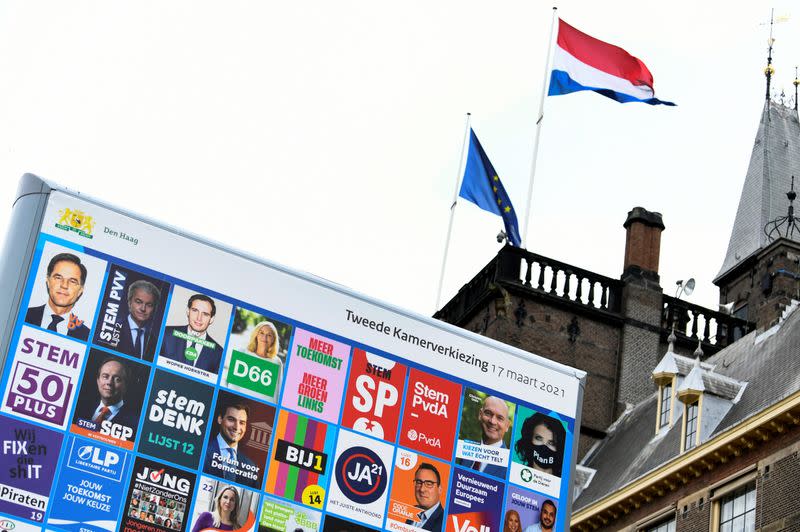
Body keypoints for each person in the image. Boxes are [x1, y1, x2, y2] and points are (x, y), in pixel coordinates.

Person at [25, 252, 90, 340]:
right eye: (58, 277)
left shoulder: (86, 336)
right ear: (48, 281)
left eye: (72, 281)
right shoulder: (24, 315)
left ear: (80, 290)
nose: (64, 285)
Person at [160, 294, 223, 372]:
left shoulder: (219, 353)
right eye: (195, 310)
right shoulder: (166, 334)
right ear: (188, 311)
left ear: (211, 319)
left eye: (205, 314)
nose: (199, 318)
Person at [203, 402, 260, 488]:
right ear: (220, 419)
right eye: (231, 419)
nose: (236, 427)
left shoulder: (251, 467)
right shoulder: (202, 451)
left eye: (242, 423)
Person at [459, 396, 511, 477]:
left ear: (507, 425)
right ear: (480, 415)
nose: (492, 421)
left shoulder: (509, 465)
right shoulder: (467, 449)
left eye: (500, 418)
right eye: (488, 413)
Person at [78, 357, 136, 430]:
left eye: (117, 379)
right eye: (105, 377)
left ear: (126, 385)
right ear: (98, 381)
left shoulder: (134, 423)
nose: (109, 382)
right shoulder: (80, 408)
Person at [116, 280, 161, 359]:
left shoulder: (154, 341)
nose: (143, 308)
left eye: (149, 305)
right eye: (138, 302)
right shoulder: (114, 328)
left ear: (154, 309)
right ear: (129, 302)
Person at [405, 463, 444, 531]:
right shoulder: (411, 511)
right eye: (419, 482)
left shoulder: (444, 523)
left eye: (429, 484)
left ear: (439, 489)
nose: (422, 489)